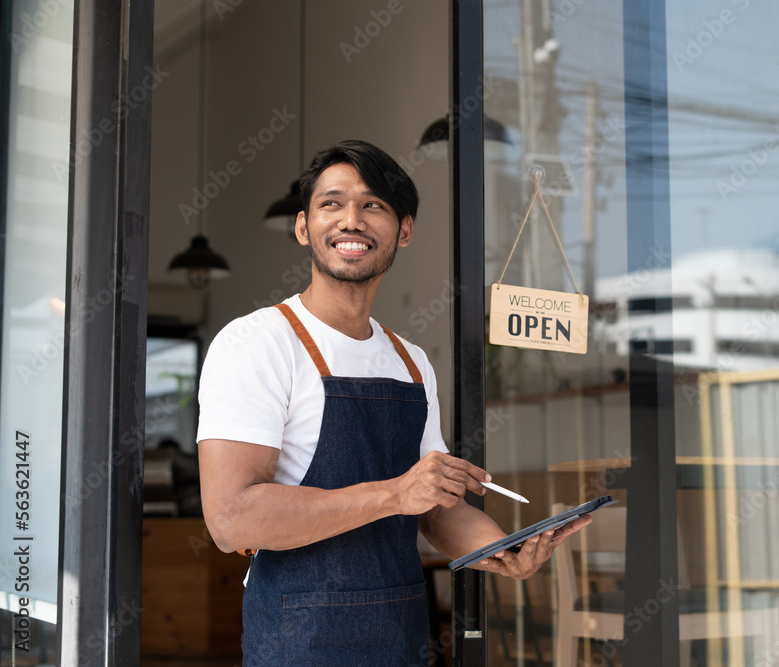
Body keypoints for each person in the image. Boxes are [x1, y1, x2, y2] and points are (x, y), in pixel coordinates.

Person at [196, 140, 591, 666]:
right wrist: (394, 494)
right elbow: (232, 520)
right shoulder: (257, 344)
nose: (351, 220)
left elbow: (434, 507)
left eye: (373, 205)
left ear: (403, 230)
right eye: (330, 203)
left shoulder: (410, 361)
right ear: (302, 227)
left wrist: (499, 548)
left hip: (401, 633)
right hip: (301, 640)